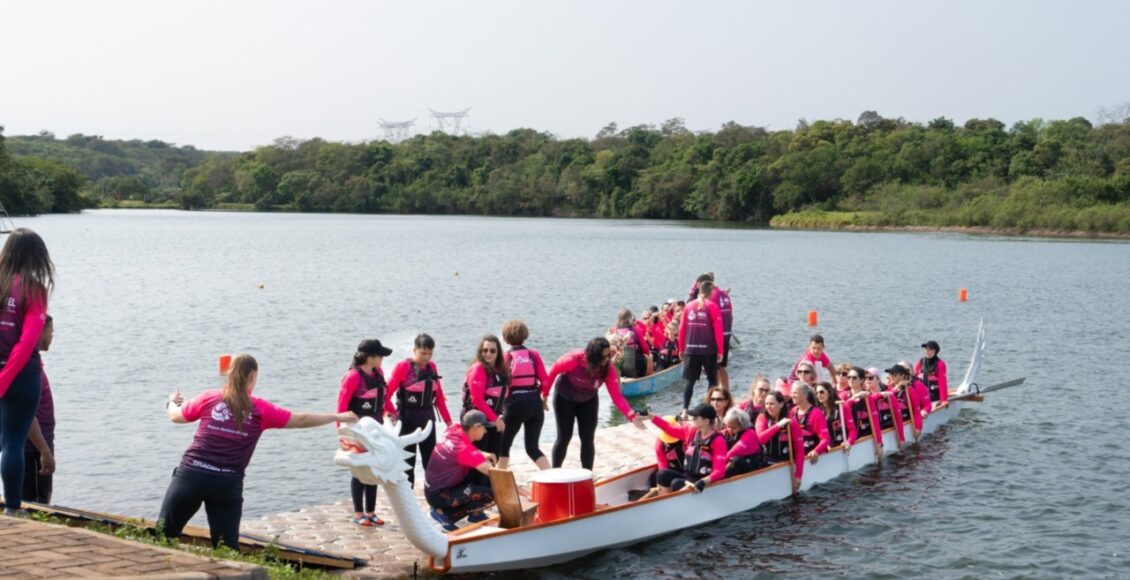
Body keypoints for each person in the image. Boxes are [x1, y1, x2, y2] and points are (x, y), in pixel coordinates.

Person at [160, 354, 357, 549]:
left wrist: (171, 403)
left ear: (230, 374)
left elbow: (175, 416)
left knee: (163, 535)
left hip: (192, 476)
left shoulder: (209, 398)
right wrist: (336, 416)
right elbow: (301, 420)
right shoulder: (260, 409)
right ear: (253, 377)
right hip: (226, 484)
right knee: (227, 550)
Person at [0, 228, 53, 516]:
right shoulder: (34, 290)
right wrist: (5, 379)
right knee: (12, 442)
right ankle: (12, 507)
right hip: (21, 375)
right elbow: (28, 340)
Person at [545, 337, 645, 470]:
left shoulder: (608, 369)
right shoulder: (573, 360)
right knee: (564, 437)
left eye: (608, 356)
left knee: (587, 439)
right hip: (565, 398)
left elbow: (617, 397)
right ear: (593, 356)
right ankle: (555, 473)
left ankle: (587, 475)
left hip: (588, 401)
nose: (607, 360)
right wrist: (544, 395)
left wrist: (632, 416)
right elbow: (552, 373)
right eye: (603, 357)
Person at [336, 339, 393, 526]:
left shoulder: (378, 373)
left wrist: (391, 411)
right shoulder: (352, 377)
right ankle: (358, 513)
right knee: (359, 471)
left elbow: (383, 398)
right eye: (380, 355)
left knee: (373, 470)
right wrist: (342, 434)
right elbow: (341, 408)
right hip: (356, 433)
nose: (383, 358)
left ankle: (371, 512)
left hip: (376, 429)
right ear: (369, 357)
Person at [386, 334, 452, 488]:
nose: (426, 357)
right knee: (408, 464)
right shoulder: (403, 367)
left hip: (427, 420)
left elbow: (439, 397)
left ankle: (434, 498)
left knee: (430, 463)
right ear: (414, 350)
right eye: (423, 353)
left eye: (430, 353)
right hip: (406, 419)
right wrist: (390, 413)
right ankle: (407, 500)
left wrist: (449, 422)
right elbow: (385, 393)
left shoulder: (432, 367)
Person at [425, 410, 497, 531]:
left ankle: (476, 515)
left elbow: (462, 450)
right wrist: (519, 491)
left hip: (432, 490)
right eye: (484, 427)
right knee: (496, 495)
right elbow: (498, 476)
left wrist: (483, 454)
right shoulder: (465, 451)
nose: (485, 431)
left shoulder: (453, 429)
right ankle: (443, 515)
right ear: (476, 427)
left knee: (477, 470)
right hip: (440, 496)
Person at [498, 320, 550, 471]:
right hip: (535, 404)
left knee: (503, 445)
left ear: (506, 338)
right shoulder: (533, 355)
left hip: (514, 405)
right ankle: (551, 477)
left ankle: (500, 483)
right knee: (532, 448)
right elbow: (545, 382)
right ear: (525, 336)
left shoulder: (505, 357)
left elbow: (501, 384)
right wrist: (543, 399)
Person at [644, 404, 727, 494]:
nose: (692, 419)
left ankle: (673, 504)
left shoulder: (718, 441)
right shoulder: (691, 431)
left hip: (704, 481)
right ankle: (666, 503)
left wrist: (703, 482)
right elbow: (668, 428)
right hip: (688, 476)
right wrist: (649, 415)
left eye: (695, 417)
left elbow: (720, 471)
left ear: (706, 421)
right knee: (662, 473)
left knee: (676, 483)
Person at [677, 279, 724, 418]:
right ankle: (711, 411)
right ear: (711, 292)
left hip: (691, 350)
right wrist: (720, 350)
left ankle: (685, 410)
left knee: (689, 381)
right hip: (708, 350)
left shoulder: (689, 306)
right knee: (712, 380)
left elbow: (681, 329)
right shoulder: (713, 307)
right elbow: (718, 331)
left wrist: (681, 349)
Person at [461, 334, 510, 456]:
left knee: (494, 457)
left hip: (492, 418)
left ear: (498, 353)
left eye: (492, 351)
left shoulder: (500, 370)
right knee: (480, 459)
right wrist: (496, 420)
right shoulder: (478, 369)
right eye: (485, 350)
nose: (488, 353)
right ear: (480, 352)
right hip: (476, 421)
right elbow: (477, 400)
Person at [24, 315, 55, 504]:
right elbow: (26, 413)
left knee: (42, 496)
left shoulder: (34, 363)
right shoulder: (28, 367)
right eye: (51, 331)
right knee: (36, 502)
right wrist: (44, 450)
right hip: (34, 447)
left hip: (41, 440)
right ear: (41, 331)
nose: (52, 336)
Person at [688, 273, 734, 391]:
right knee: (722, 367)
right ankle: (726, 393)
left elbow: (706, 316)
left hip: (715, 337)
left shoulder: (711, 297)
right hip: (727, 335)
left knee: (713, 371)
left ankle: (715, 397)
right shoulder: (725, 295)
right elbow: (731, 316)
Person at [754, 392, 804, 489]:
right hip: (766, 461)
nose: (768, 407)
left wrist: (798, 476)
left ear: (781, 404)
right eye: (767, 404)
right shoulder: (762, 418)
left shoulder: (791, 422)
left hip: (784, 462)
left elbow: (800, 451)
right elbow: (761, 439)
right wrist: (778, 426)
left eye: (772, 404)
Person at [884, 363, 931, 438]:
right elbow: (886, 399)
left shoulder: (912, 389)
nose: (891, 376)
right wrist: (897, 387)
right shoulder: (890, 387)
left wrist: (918, 428)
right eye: (890, 374)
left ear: (902, 375)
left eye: (894, 374)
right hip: (892, 418)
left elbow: (917, 411)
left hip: (906, 417)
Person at [789, 382, 831, 463]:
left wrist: (816, 451)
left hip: (812, 457)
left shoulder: (816, 413)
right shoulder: (793, 411)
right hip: (799, 455)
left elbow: (826, 439)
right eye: (791, 393)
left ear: (805, 395)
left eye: (795, 393)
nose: (792, 396)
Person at [721, 408, 765, 477]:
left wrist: (717, 470)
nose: (730, 430)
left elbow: (732, 453)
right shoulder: (726, 432)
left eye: (733, 428)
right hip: (739, 470)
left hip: (754, 470)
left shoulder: (750, 433)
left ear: (742, 426)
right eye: (728, 426)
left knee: (735, 460)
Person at [611, 308, 651, 378]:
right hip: (634, 364)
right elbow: (646, 350)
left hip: (618, 364)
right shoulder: (635, 330)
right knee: (646, 358)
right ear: (630, 319)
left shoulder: (615, 330)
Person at [815, 381, 855, 449]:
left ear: (830, 393)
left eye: (821, 392)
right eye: (816, 393)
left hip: (844, 445)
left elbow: (853, 430)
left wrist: (849, 442)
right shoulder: (818, 412)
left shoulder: (842, 407)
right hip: (829, 448)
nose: (818, 395)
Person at [650, 416, 685, 487]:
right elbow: (662, 463)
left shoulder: (685, 437)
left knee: (675, 483)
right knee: (654, 477)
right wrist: (662, 480)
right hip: (673, 470)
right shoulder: (660, 443)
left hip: (687, 471)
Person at [914, 340, 949, 408]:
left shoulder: (940, 364)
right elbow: (913, 377)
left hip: (934, 393)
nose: (927, 352)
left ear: (935, 351)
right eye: (926, 349)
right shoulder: (921, 361)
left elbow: (942, 383)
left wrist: (944, 400)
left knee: (918, 399)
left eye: (930, 350)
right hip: (921, 392)